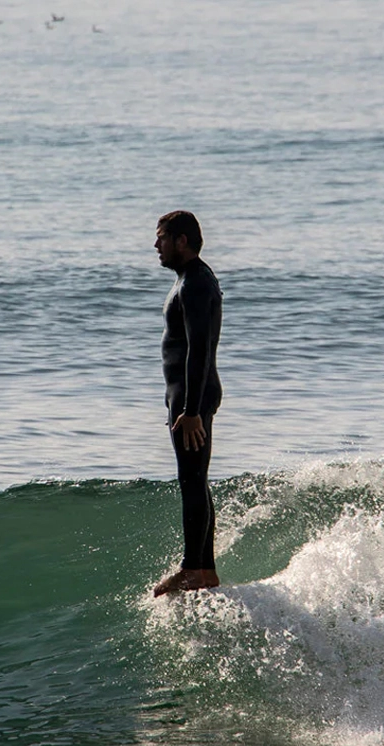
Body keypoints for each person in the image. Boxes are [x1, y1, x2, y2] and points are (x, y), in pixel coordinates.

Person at [152, 211, 223, 597]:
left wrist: (191, 411)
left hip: (191, 398)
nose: (156, 245)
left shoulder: (195, 283)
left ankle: (192, 569)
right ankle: (204, 569)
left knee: (191, 479)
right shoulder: (192, 279)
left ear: (182, 240)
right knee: (195, 478)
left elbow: (199, 350)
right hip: (187, 396)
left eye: (162, 237)